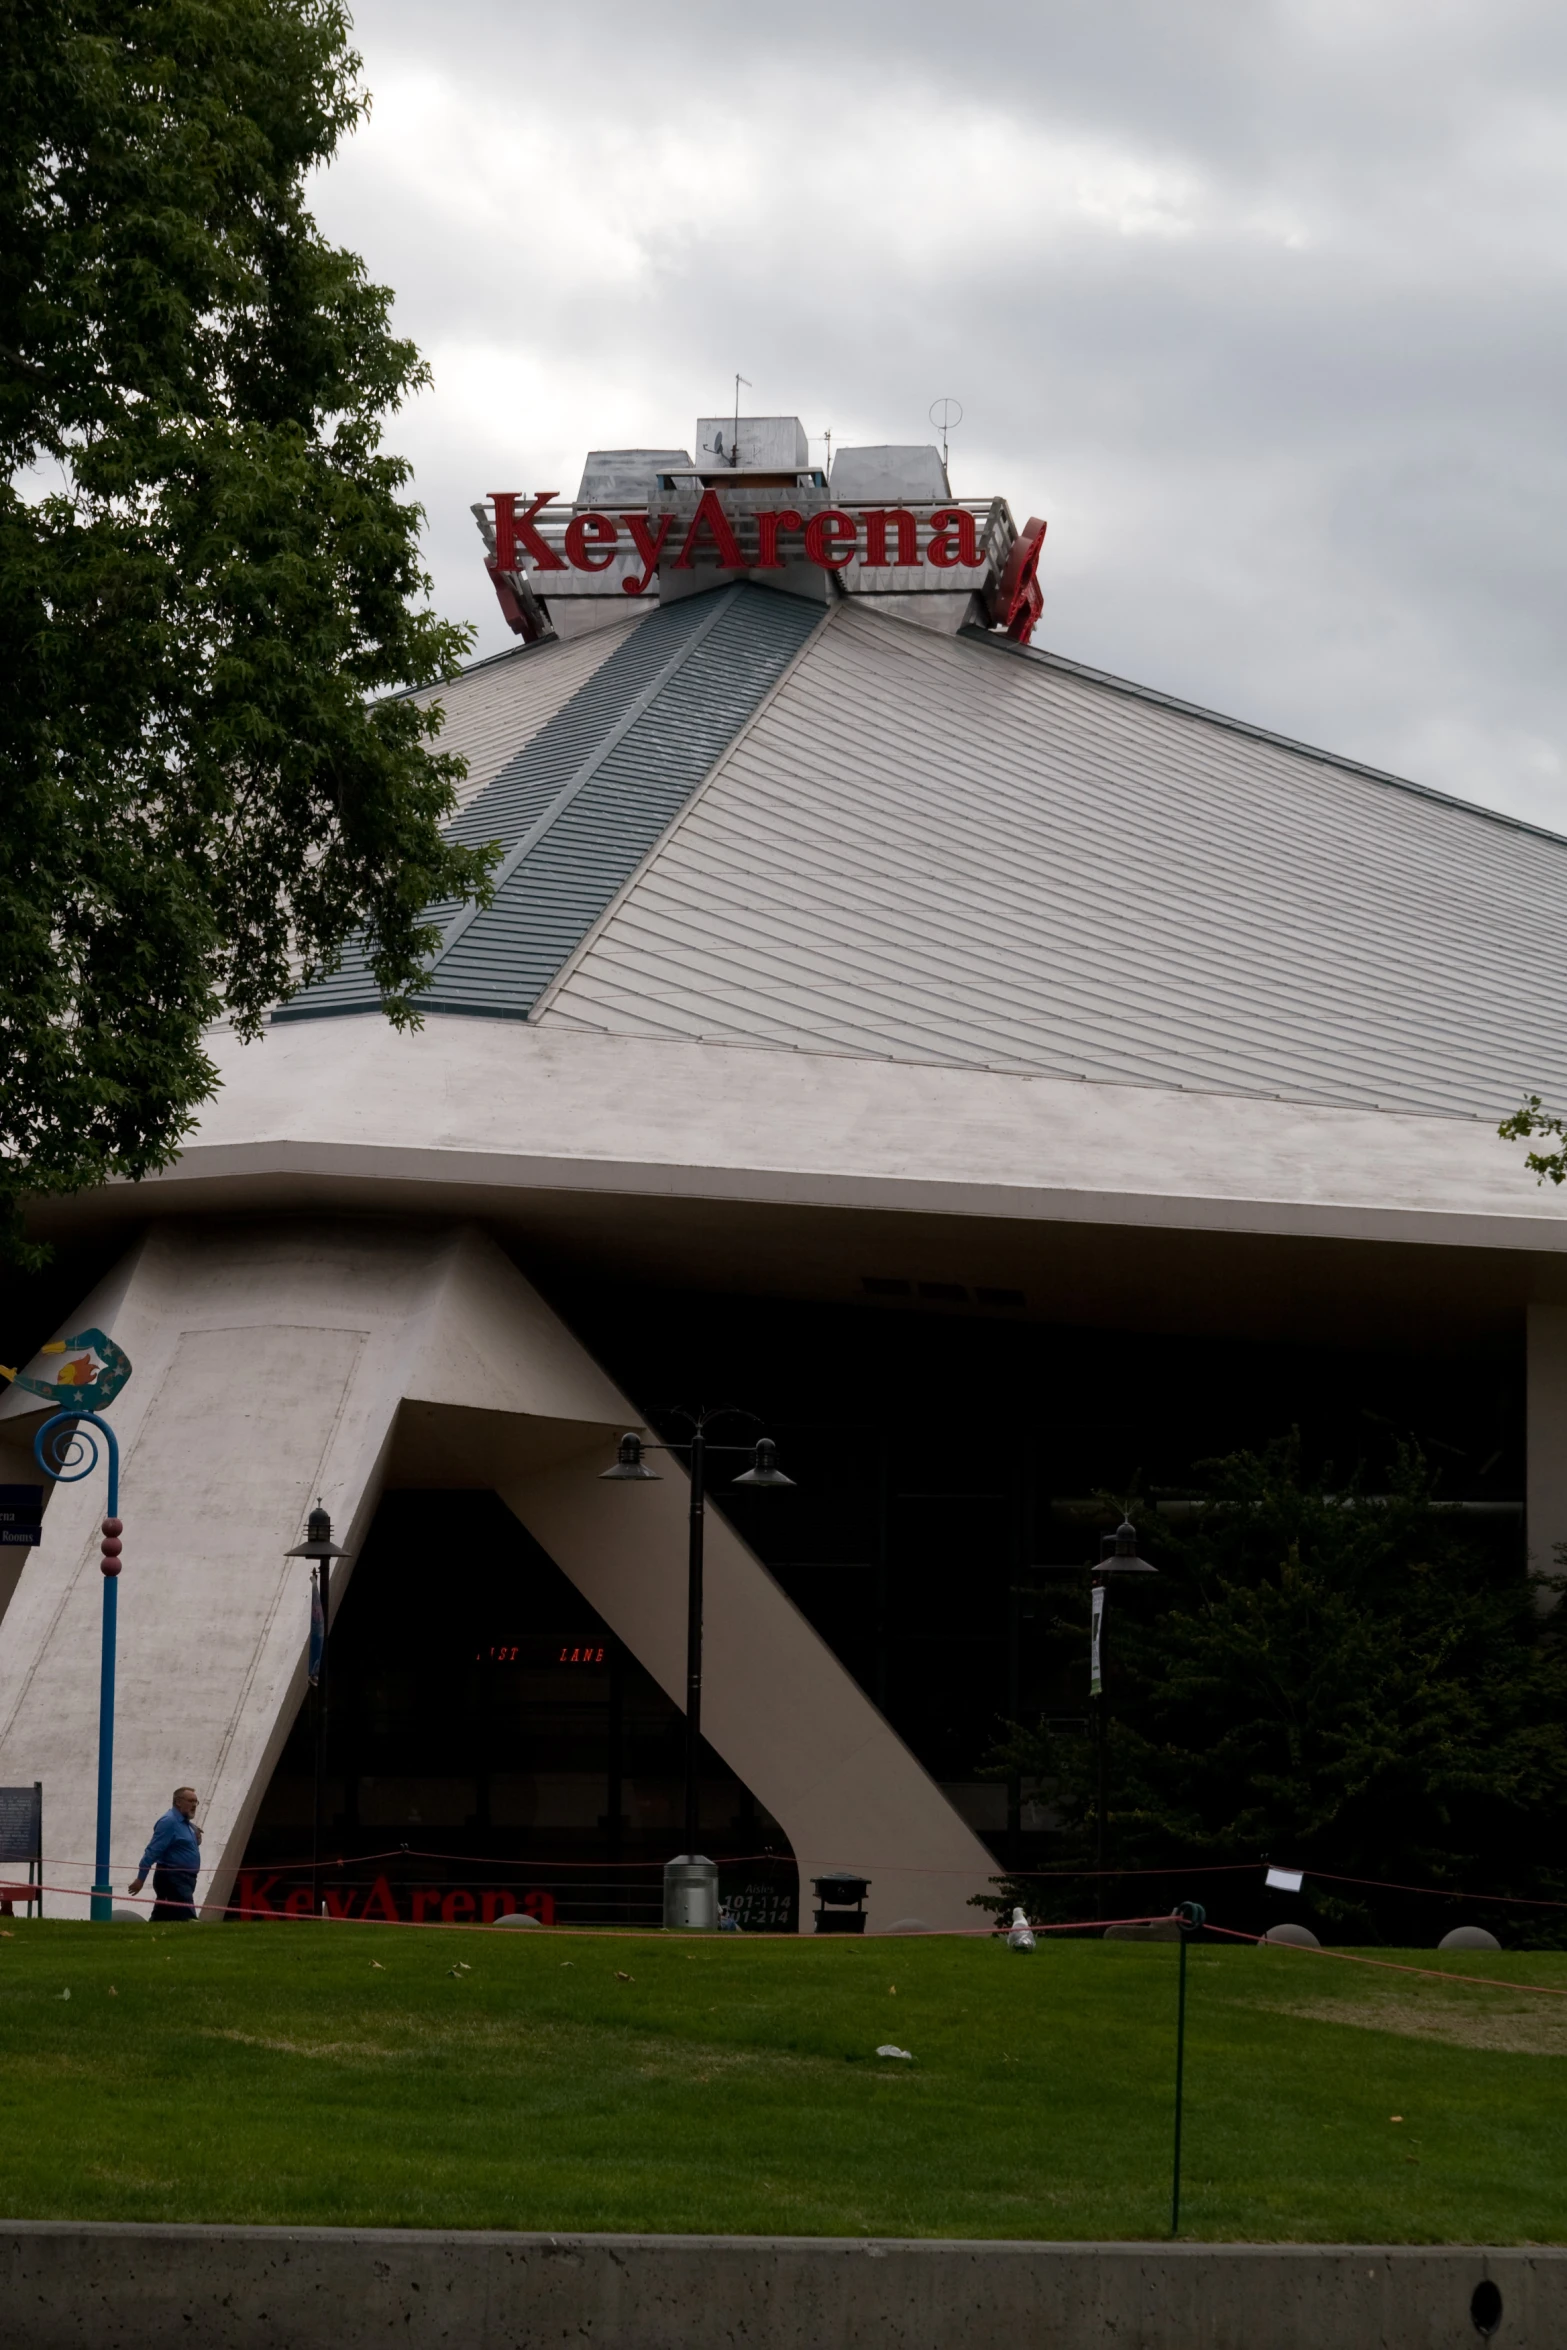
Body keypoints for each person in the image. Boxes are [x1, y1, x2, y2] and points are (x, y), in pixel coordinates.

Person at [130, 1786, 203, 1920]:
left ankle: (149, 1937)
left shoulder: (187, 1824)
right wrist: (140, 1879)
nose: (194, 1805)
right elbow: (152, 1851)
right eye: (190, 1801)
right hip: (172, 1878)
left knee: (161, 1917)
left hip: (186, 1879)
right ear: (178, 1802)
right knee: (188, 1918)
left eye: (195, 1802)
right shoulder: (169, 1822)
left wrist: (196, 1835)